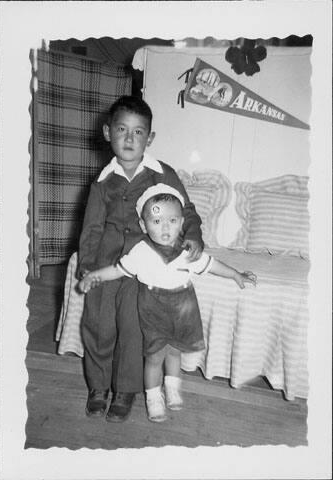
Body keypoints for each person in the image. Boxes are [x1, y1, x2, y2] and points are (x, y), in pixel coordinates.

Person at [78, 184, 257, 423]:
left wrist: (236, 274)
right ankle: (153, 398)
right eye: (156, 221)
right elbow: (117, 270)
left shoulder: (188, 251)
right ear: (143, 225)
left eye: (172, 220)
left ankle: (172, 388)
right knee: (154, 356)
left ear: (182, 222)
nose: (165, 228)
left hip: (183, 309)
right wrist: (94, 276)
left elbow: (212, 264)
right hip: (153, 310)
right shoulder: (140, 251)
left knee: (174, 352)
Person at [78, 96, 204, 422]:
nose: (130, 139)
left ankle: (125, 390)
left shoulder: (162, 174)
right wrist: (87, 266)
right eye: (122, 130)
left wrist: (193, 236)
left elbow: (186, 211)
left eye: (138, 132)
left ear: (150, 138)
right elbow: (91, 227)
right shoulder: (102, 181)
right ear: (108, 133)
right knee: (99, 325)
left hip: (144, 269)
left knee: (134, 329)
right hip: (106, 265)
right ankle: (98, 386)